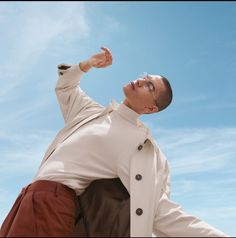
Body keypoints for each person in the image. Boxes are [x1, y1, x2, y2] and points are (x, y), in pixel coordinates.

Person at [0, 47, 228, 237]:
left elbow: (157, 208)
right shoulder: (91, 112)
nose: (141, 81)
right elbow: (65, 86)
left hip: (54, 202)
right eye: (145, 77)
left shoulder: (139, 143)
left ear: (151, 108)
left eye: (149, 86)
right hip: (28, 198)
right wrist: (87, 64)